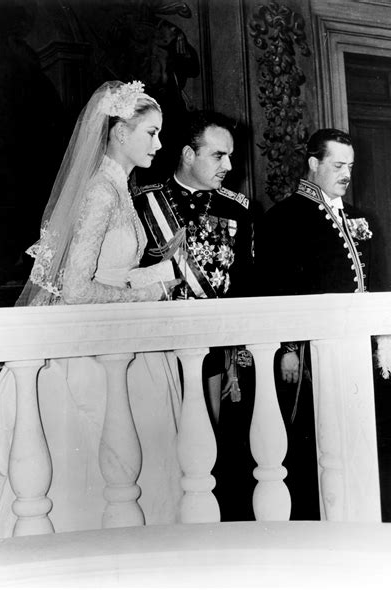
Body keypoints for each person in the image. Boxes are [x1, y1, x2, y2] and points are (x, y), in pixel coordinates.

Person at [0, 80, 184, 541]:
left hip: (118, 341)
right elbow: (75, 289)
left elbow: (109, 269)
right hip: (95, 347)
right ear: (120, 134)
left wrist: (154, 273)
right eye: (151, 133)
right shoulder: (100, 193)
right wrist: (142, 294)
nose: (159, 144)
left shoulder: (119, 187)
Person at [134, 110, 256, 520]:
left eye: (230, 157)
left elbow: (244, 283)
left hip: (213, 355)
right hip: (157, 353)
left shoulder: (238, 209)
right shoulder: (144, 204)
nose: (229, 166)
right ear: (188, 154)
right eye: (219, 156)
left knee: (211, 456)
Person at [255, 128, 375, 519]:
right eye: (338, 165)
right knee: (308, 443)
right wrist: (288, 348)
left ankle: (352, 515)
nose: (346, 174)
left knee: (351, 437)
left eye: (350, 167)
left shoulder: (357, 216)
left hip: (350, 349)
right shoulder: (285, 217)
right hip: (306, 355)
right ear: (313, 164)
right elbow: (276, 289)